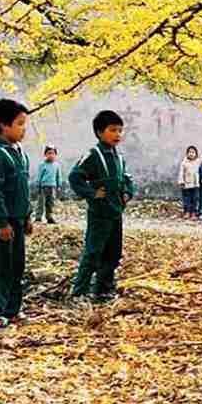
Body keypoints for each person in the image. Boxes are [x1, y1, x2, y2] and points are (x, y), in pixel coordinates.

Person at [68, 111, 135, 302]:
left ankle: (103, 289)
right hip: (99, 213)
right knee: (93, 252)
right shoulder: (93, 155)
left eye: (120, 130)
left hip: (115, 213)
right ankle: (79, 291)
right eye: (112, 130)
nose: (117, 134)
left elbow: (127, 179)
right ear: (99, 132)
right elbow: (75, 177)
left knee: (113, 253)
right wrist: (91, 193)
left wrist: (127, 193)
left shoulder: (118, 157)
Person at [0, 99, 32, 330]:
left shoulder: (19, 153)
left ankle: (11, 310)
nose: (23, 129)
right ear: (3, 125)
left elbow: (22, 190)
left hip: (18, 220)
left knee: (16, 266)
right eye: (19, 124)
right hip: (1, 222)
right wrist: (1, 222)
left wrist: (27, 216)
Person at [33, 146, 62, 224]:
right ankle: (38, 217)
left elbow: (58, 176)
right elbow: (39, 176)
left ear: (55, 155)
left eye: (53, 153)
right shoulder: (42, 165)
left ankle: (49, 217)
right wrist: (38, 185)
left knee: (51, 203)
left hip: (52, 186)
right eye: (49, 153)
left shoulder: (57, 165)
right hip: (43, 186)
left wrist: (59, 185)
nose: (51, 155)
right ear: (45, 154)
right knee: (41, 202)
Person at [179, 146, 201, 220]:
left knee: (195, 199)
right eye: (190, 152)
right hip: (186, 184)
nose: (191, 154)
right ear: (187, 153)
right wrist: (181, 181)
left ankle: (194, 212)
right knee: (186, 199)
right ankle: (187, 212)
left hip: (195, 184)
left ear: (196, 154)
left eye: (193, 152)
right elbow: (181, 173)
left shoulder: (198, 162)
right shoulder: (184, 163)